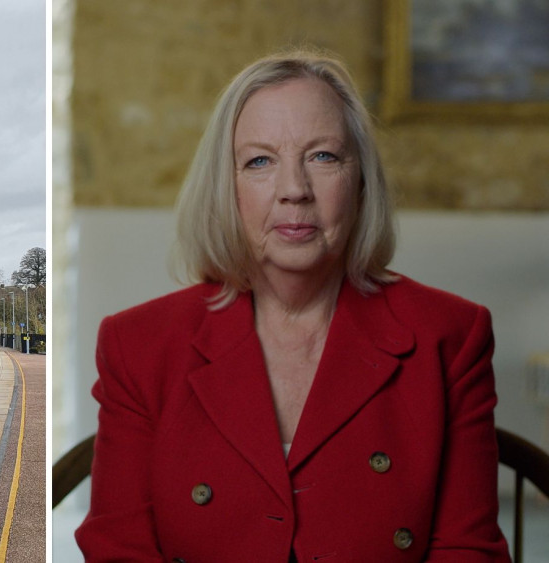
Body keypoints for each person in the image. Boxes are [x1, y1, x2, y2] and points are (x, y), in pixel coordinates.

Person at [75, 50, 510, 562]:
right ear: (227, 188)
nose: (294, 191)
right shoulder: (138, 344)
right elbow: (117, 550)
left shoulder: (451, 335)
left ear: (361, 181)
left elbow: (466, 550)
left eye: (323, 156)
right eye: (259, 161)